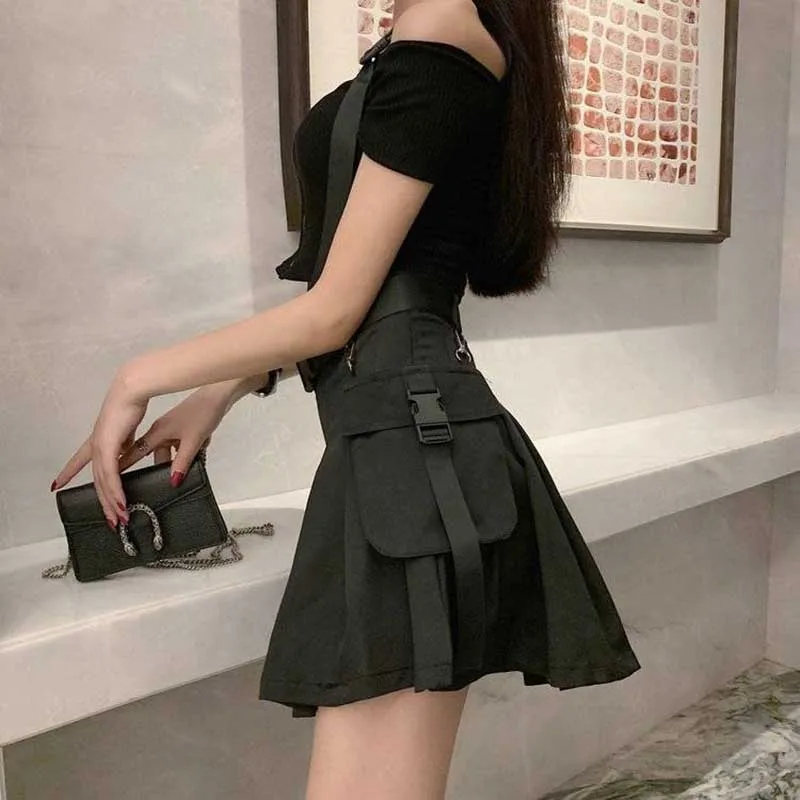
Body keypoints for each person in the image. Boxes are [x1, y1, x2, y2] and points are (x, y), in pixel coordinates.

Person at [52, 0, 642, 797]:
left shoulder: (444, 24)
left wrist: (136, 377)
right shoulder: (425, 33)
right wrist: (218, 392)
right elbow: (355, 296)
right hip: (404, 448)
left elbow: (336, 308)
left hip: (415, 458)